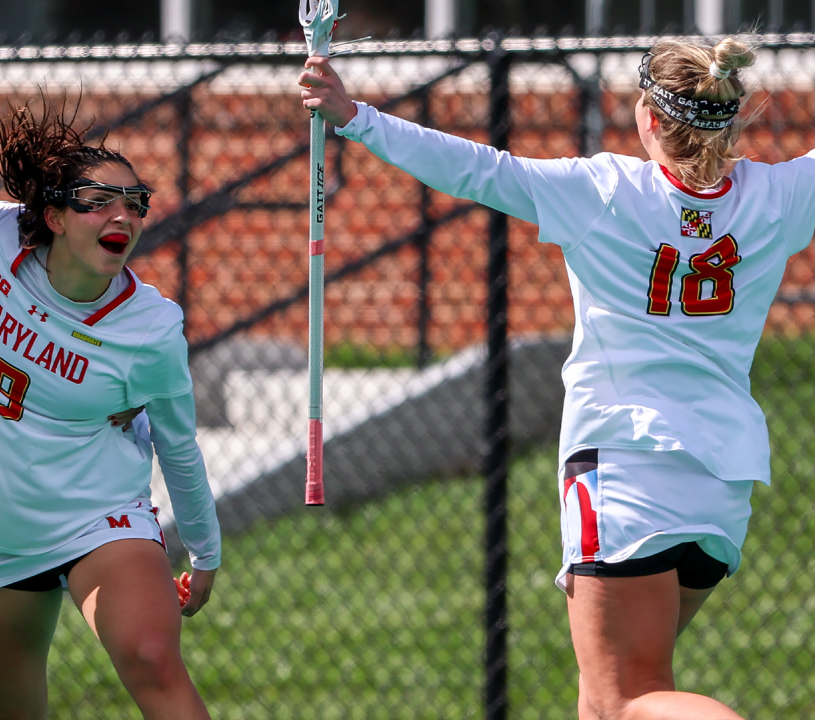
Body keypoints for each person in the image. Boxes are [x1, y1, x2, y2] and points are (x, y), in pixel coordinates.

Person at [300, 38, 813, 720]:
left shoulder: (605, 190)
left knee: (623, 698)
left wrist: (356, 116)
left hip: (628, 469)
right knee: (602, 702)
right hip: (722, 481)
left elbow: (478, 170)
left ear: (648, 118)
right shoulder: (780, 196)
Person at [0, 101, 222, 720]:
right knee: (2, 706)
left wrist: (205, 552)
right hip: (1, 531)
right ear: (53, 215)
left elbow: (177, 445)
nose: (122, 214)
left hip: (101, 515)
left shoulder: (151, 328)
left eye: (136, 201)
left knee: (153, 658)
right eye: (98, 199)